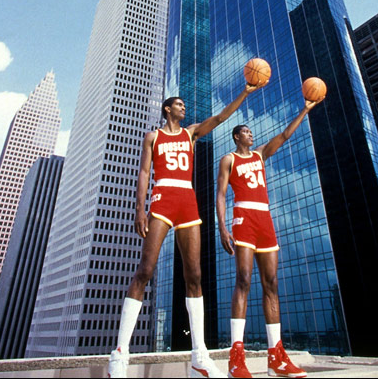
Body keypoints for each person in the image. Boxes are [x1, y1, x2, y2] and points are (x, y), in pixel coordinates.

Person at [108, 82, 266, 379]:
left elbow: (219, 118)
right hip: (162, 198)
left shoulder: (190, 133)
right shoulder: (152, 137)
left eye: (184, 106)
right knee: (145, 269)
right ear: (168, 109)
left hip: (187, 202)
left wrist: (244, 93)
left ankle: (199, 357)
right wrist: (139, 208)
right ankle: (119, 355)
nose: (184, 108)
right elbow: (144, 172)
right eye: (179, 105)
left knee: (194, 276)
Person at [216, 97, 324, 378]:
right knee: (243, 280)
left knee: (271, 284)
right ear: (237, 136)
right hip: (243, 218)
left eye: (252, 132)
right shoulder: (229, 158)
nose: (251, 135)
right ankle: (236, 357)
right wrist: (222, 226)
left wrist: (305, 109)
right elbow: (221, 194)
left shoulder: (260, 154)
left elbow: (286, 135)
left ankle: (276, 356)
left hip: (265, 219)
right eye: (246, 132)